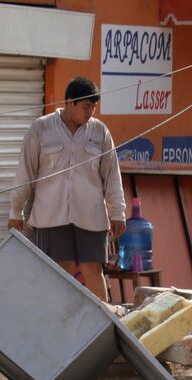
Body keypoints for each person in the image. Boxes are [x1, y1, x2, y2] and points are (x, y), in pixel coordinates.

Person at [9, 76, 125, 301]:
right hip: (51, 216)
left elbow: (112, 175)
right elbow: (25, 172)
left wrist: (117, 212)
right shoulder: (41, 129)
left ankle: (106, 325)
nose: (90, 112)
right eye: (85, 106)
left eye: (93, 107)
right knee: (60, 270)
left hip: (91, 217)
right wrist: (15, 212)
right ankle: (55, 323)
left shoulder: (100, 132)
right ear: (70, 102)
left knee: (93, 270)